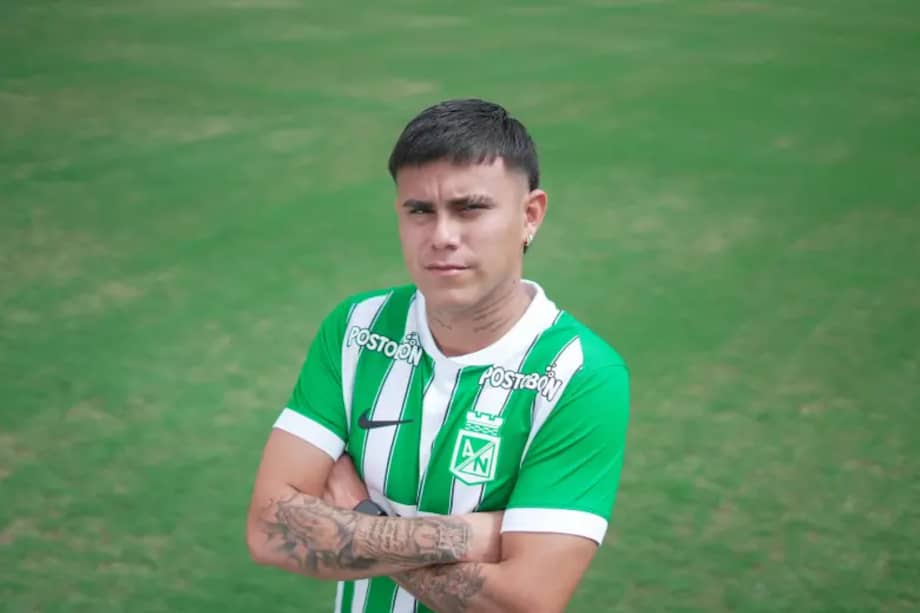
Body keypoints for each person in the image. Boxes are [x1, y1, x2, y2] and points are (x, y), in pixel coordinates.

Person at [246, 98, 630, 613]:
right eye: (420, 211)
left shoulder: (582, 376)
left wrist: (359, 516)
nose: (442, 237)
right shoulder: (358, 328)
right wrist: (476, 535)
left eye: (470, 209)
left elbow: (523, 604)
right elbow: (270, 531)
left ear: (529, 215)